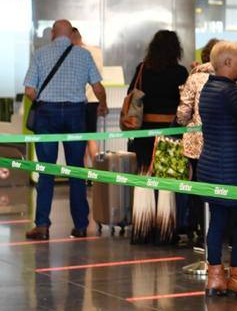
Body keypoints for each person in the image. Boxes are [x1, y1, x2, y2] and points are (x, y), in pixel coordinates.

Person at [23, 19, 107, 239]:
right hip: (75, 115)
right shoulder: (83, 55)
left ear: (53, 33)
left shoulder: (40, 54)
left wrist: (43, 98)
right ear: (70, 34)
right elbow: (97, 87)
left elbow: (29, 90)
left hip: (47, 116)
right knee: (76, 170)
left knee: (46, 170)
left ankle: (42, 226)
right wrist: (103, 105)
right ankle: (80, 225)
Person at [197, 41, 237, 298]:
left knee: (218, 221)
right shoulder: (229, 91)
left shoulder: (209, 88)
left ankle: (215, 277)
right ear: (227, 63)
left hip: (211, 166)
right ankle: (236, 276)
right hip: (234, 169)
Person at [123, 30, 189, 172]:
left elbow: (131, 93)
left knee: (144, 175)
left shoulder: (142, 68)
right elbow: (186, 102)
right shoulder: (180, 72)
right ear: (176, 49)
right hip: (172, 131)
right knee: (169, 175)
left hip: (144, 131)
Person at [176, 39, 218, 245]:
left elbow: (183, 111)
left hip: (195, 142)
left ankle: (196, 226)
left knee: (195, 185)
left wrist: (184, 122)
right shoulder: (230, 77)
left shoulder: (195, 78)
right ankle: (216, 228)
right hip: (221, 141)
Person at [71, 27, 103, 167]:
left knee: (79, 140)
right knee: (91, 137)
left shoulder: (76, 53)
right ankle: (96, 174)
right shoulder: (97, 51)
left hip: (78, 101)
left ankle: (82, 176)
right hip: (94, 100)